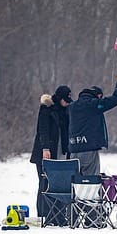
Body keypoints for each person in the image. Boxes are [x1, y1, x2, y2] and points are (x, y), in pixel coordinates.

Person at [68, 74, 117, 175]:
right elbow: (116, 99)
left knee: (75, 183)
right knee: (90, 183)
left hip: (73, 150)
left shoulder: (72, 106)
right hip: (88, 150)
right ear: (98, 96)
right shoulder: (93, 104)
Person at [29, 85, 72, 217]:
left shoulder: (65, 111)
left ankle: (58, 214)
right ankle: (44, 214)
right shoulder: (46, 109)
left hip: (60, 154)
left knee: (59, 184)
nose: (67, 104)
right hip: (45, 153)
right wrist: (45, 148)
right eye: (65, 100)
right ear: (60, 98)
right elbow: (43, 130)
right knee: (44, 183)